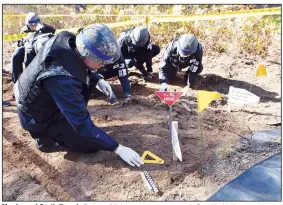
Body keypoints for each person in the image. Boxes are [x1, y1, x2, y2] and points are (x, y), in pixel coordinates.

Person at [13, 24, 144, 167]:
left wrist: (97, 78)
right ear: (86, 54)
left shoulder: (69, 40)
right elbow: (81, 123)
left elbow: (76, 63)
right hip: (34, 114)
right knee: (91, 146)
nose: (102, 65)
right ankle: (43, 138)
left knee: (82, 91)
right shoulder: (61, 80)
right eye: (100, 62)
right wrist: (118, 148)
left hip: (43, 94)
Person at [11, 12, 56, 84]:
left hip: (41, 48)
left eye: (36, 24)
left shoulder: (44, 28)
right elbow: (21, 42)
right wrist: (21, 42)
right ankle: (16, 82)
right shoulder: (24, 31)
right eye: (31, 24)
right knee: (16, 55)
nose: (34, 26)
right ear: (28, 24)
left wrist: (43, 28)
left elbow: (53, 30)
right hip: (28, 48)